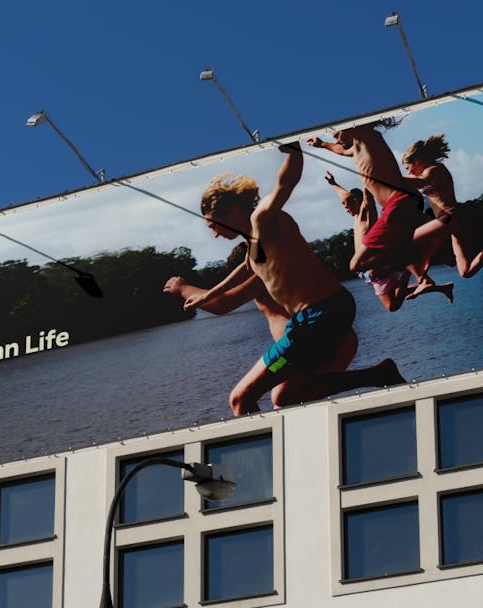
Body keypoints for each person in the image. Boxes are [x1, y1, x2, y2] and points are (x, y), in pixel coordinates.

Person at [183, 143, 405, 416]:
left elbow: (285, 183)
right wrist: (207, 294)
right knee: (287, 396)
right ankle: (379, 375)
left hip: (319, 315)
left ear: (229, 212)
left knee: (241, 399)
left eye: (213, 225)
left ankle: (267, 454)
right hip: (316, 319)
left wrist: (293, 150)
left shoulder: (262, 218)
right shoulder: (254, 240)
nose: (214, 234)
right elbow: (248, 268)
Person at [306, 122, 446, 298]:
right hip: (400, 203)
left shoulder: (366, 136)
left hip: (398, 202)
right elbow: (340, 150)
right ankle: (418, 257)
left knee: (356, 265)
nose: (336, 140)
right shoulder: (355, 148)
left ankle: (414, 254)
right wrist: (322, 144)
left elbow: (354, 123)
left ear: (349, 127)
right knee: (373, 261)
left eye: (336, 135)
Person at [401, 134, 483, 277]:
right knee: (465, 272)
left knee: (406, 240)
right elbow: (410, 182)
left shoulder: (434, 169)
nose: (408, 172)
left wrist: (387, 177)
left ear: (417, 161)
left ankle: (428, 268)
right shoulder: (422, 173)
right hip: (454, 220)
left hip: (451, 216)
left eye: (408, 167)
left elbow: (419, 182)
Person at [323, 175, 453, 311]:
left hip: (375, 267)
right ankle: (440, 287)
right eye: (343, 206)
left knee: (392, 306)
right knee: (397, 294)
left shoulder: (366, 212)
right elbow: (344, 195)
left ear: (356, 201)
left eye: (346, 206)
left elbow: (367, 195)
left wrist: (365, 175)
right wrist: (333, 183)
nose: (345, 209)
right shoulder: (356, 217)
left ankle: (409, 270)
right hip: (371, 269)